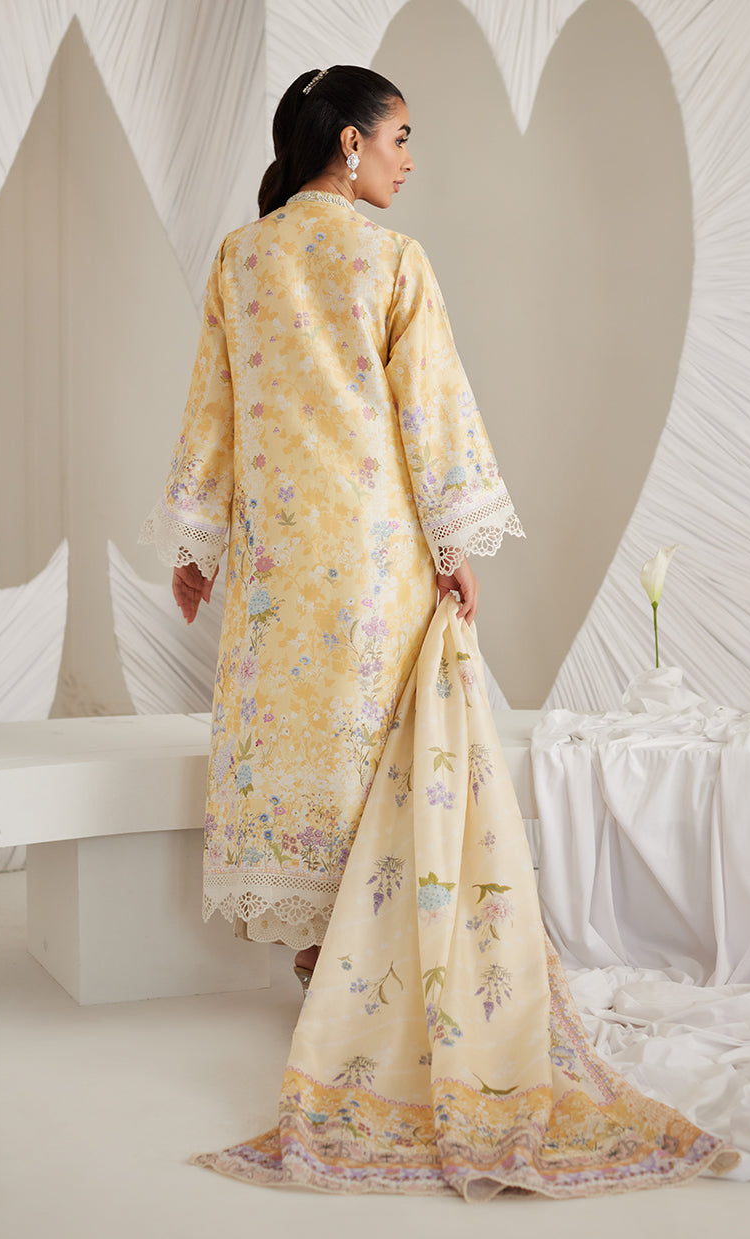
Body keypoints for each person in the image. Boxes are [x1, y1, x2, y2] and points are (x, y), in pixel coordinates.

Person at [140, 65, 524, 982]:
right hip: (372, 558)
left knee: (297, 737)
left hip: (276, 564)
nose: (409, 160)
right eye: (400, 138)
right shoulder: (391, 261)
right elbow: (431, 410)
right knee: (370, 735)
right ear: (352, 143)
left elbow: (214, 415)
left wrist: (198, 547)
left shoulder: (241, 258)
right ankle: (372, 968)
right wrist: (451, 546)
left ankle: (322, 959)